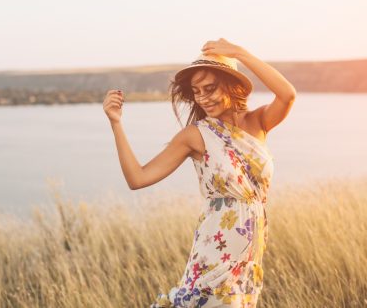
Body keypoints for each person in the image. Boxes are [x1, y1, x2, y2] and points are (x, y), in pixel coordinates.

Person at [102, 38, 296, 308]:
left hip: (249, 255)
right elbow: (138, 178)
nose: (203, 97)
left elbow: (287, 94)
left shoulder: (258, 122)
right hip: (214, 251)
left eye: (210, 88)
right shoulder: (196, 135)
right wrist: (116, 124)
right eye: (197, 91)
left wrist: (240, 52)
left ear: (232, 85)